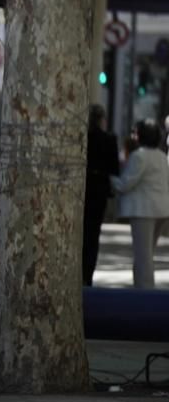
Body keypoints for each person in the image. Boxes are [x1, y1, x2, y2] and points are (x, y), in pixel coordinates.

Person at [110, 118, 169, 289]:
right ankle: (143, 288)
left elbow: (125, 183)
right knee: (147, 253)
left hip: (143, 211)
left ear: (141, 136)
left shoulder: (139, 156)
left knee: (143, 256)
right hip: (162, 209)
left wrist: (108, 178)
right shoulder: (161, 156)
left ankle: (145, 291)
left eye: (135, 132)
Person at [83, 105, 119, 286]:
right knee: (93, 234)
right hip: (100, 190)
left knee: (80, 232)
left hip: (82, 188)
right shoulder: (109, 139)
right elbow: (115, 168)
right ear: (102, 118)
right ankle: (87, 274)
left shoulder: (82, 137)